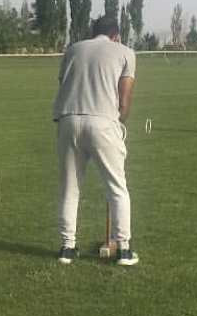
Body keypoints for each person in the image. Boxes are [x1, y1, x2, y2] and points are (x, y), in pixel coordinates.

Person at [53, 15, 138, 266]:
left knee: (70, 187)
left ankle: (67, 249)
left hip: (68, 119)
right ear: (116, 36)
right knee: (116, 187)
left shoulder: (73, 49)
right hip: (103, 121)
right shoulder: (125, 52)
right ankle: (123, 250)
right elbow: (124, 97)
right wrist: (119, 122)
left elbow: (64, 83)